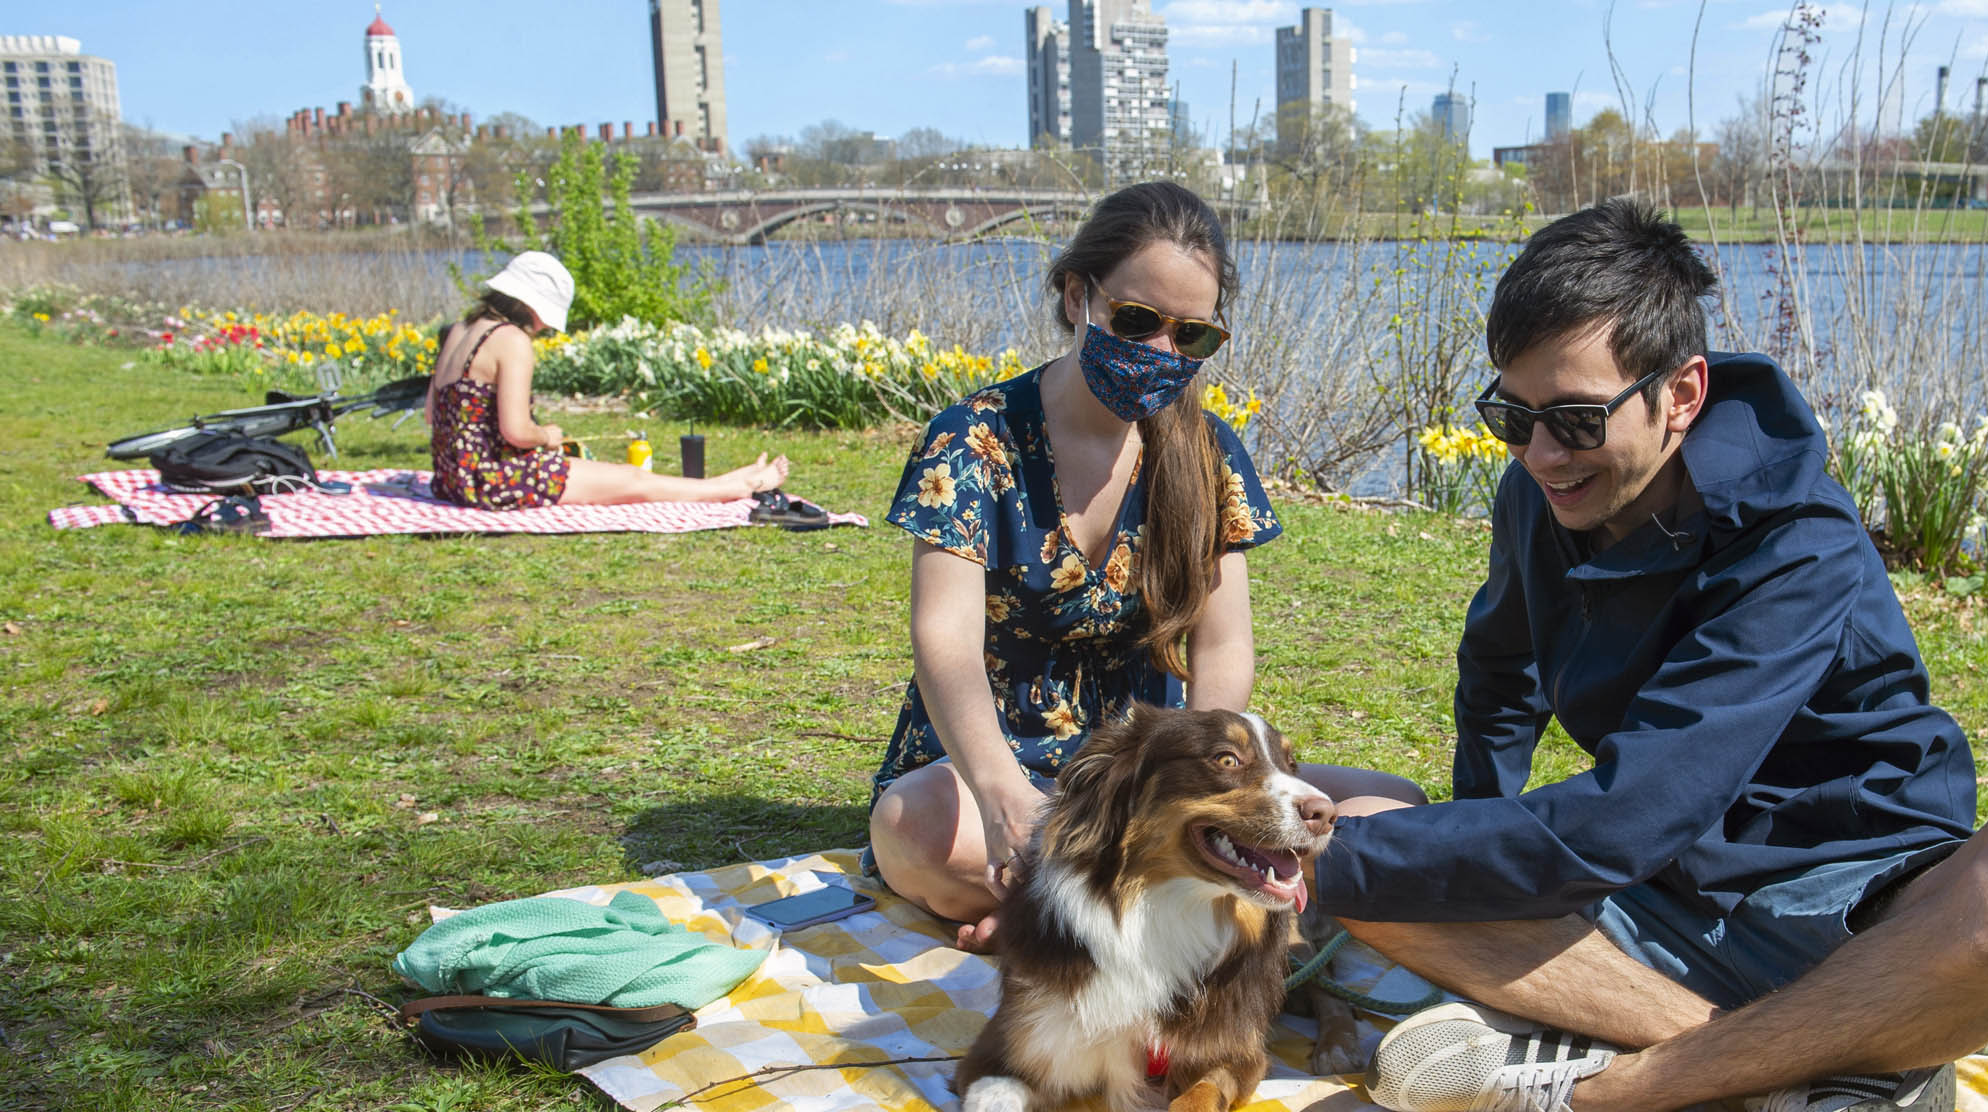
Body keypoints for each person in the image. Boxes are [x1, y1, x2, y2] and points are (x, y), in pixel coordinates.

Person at [1311, 199, 1988, 1112]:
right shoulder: (1542, 495)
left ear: (1681, 392)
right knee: (1367, 834)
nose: (1540, 454)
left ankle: (1612, 1091)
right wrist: (1469, 843)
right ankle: (1795, 1077)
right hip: (1661, 895)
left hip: (1844, 905)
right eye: (1510, 416)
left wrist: (1323, 871)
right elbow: (1499, 667)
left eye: (1573, 418)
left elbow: (1618, 823)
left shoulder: (1799, 544)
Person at [868, 181, 1420, 931]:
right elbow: (945, 640)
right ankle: (1143, 917)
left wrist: (1212, 798)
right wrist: (1000, 794)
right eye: (1136, 320)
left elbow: (1223, 644)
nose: (1162, 352)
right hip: (994, 759)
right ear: (1075, 297)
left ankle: (1064, 920)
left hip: (1153, 768)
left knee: (1395, 808)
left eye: (1191, 336)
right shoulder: (973, 440)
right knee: (915, 828)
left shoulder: (1206, 451)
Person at [427, 251, 789, 509]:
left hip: (453, 479)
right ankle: (742, 485)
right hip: (494, 480)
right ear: (532, 306)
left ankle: (725, 483)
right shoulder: (511, 340)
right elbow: (516, 432)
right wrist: (547, 435)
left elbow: (433, 415)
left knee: (623, 478)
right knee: (633, 481)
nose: (544, 328)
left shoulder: (460, 330)